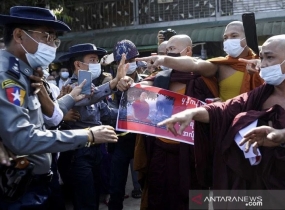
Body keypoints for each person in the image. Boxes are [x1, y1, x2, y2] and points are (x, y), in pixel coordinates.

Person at [0, 6, 120, 209]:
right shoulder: (7, 76)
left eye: (54, 38)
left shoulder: (26, 72)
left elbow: (49, 117)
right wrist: (88, 135)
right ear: (19, 35)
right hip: (18, 187)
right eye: (47, 36)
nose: (52, 45)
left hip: (37, 182)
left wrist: (71, 97)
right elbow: (23, 138)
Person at [157, 34, 285, 209]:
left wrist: (281, 135)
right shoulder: (263, 93)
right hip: (265, 185)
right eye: (261, 58)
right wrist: (193, 112)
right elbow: (224, 110)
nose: (263, 65)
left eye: (270, 57)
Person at [117, 35, 214, 210]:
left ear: (188, 51)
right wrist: (127, 83)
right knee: (159, 197)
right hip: (160, 150)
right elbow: (141, 87)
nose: (169, 54)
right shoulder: (161, 78)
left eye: (173, 49)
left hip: (191, 153)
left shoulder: (203, 79)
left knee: (192, 199)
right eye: (167, 50)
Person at [57, 43, 121, 210]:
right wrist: (113, 83)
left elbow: (106, 113)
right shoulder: (69, 89)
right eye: (92, 60)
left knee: (95, 196)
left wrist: (133, 117)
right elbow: (86, 98)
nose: (97, 64)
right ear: (78, 64)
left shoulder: (92, 88)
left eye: (98, 60)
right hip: (78, 152)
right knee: (85, 200)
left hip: (98, 151)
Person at [137, 21, 264, 101]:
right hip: (227, 120)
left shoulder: (263, 61)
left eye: (234, 36)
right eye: (225, 37)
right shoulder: (220, 65)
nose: (229, 40)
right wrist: (164, 59)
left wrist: (261, 65)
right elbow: (195, 64)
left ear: (248, 38)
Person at [108, 39, 142, 210]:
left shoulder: (149, 82)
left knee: (146, 183)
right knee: (116, 188)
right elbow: (107, 113)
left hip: (141, 141)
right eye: (122, 61)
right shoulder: (110, 87)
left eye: (130, 60)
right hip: (119, 143)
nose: (126, 64)